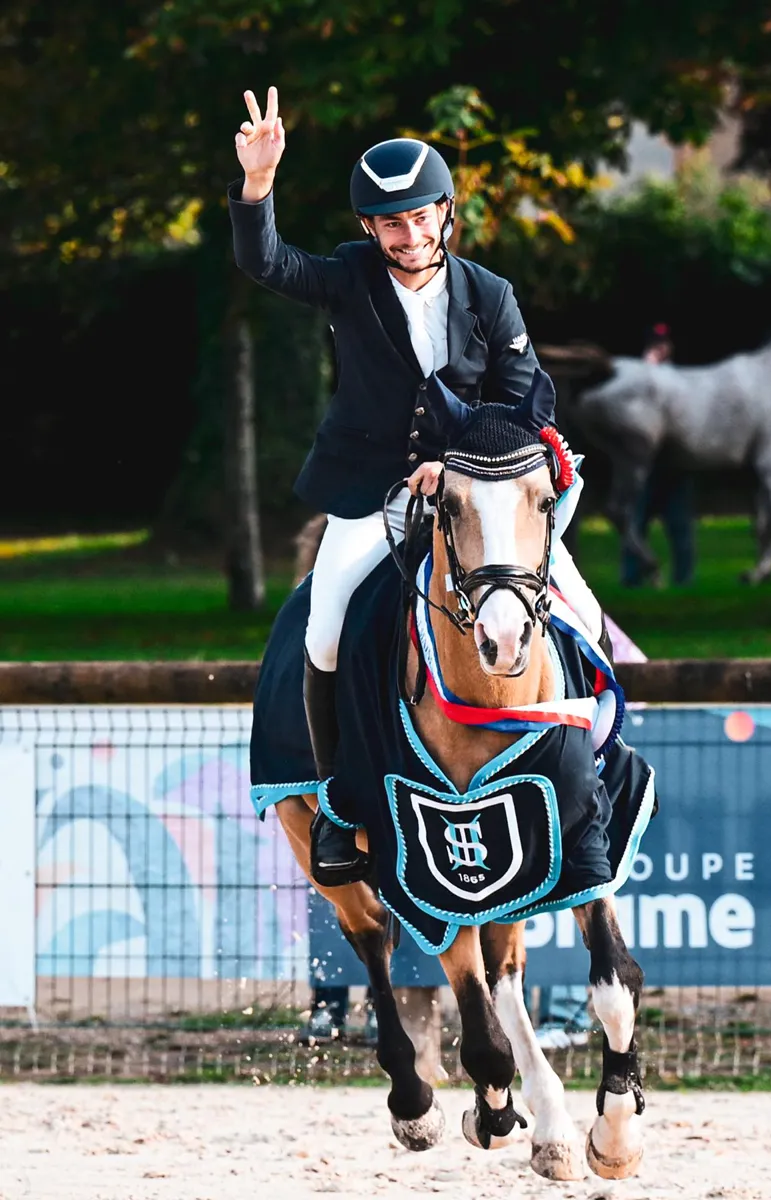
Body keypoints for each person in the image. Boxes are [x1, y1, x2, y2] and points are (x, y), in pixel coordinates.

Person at [229, 86, 554, 885]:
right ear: (368, 229)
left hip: (473, 494)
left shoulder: (489, 295)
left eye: (420, 218)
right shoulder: (348, 278)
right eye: (390, 223)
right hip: (373, 493)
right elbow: (264, 262)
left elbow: (523, 396)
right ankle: (340, 803)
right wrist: (258, 185)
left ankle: (592, 764)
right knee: (328, 622)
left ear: (446, 213)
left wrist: (468, 459)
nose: (407, 236)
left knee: (571, 603)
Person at [621, 322, 695, 587]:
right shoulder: (635, 380)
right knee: (635, 525)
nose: (660, 350)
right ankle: (632, 577)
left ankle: (683, 580)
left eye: (663, 345)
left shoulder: (679, 379)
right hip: (645, 470)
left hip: (674, 467)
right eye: (655, 345)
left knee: (680, 528)